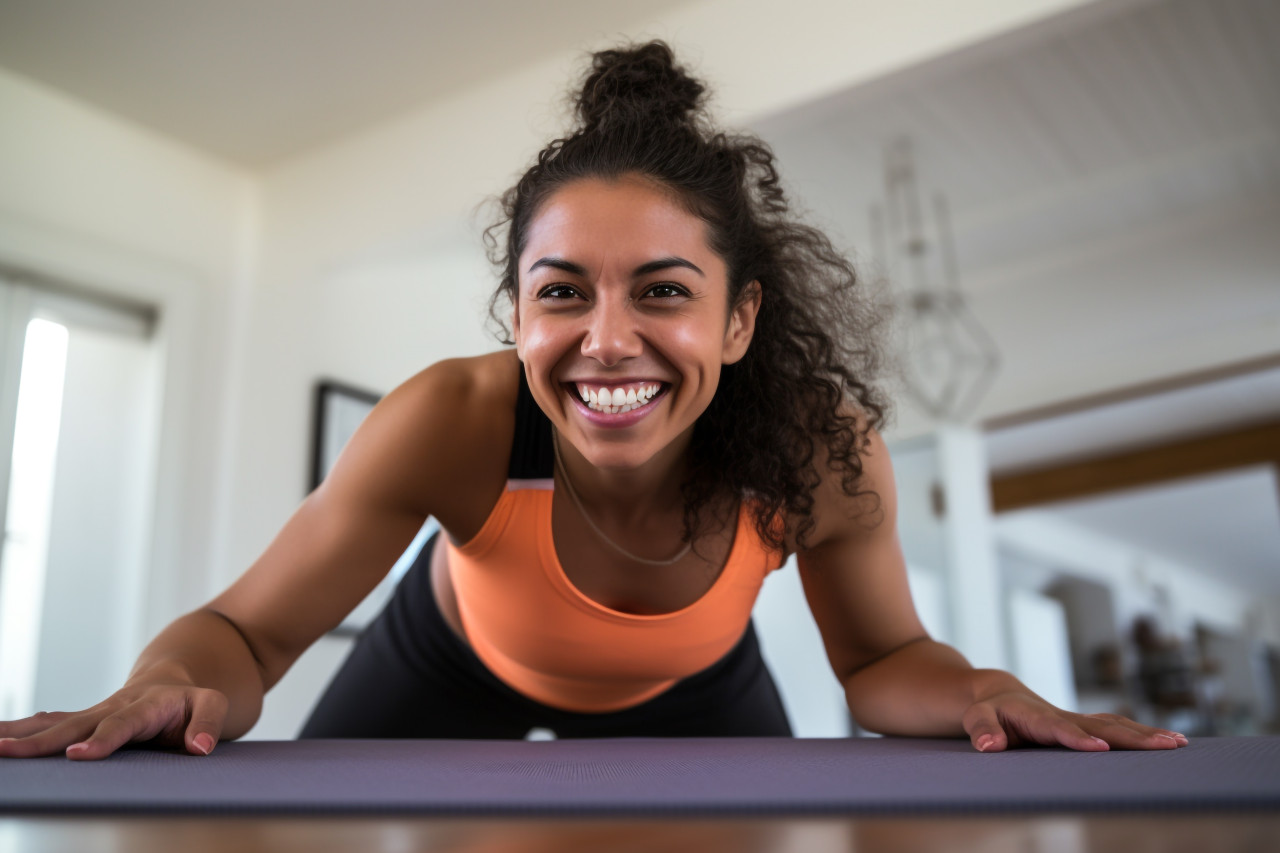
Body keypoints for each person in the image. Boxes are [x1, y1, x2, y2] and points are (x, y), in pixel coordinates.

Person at [0, 41, 1187, 759]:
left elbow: (881, 658)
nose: (604, 341)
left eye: (662, 291)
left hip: (699, 686)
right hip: (446, 661)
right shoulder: (450, 421)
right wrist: (165, 682)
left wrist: (983, 691)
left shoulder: (820, 450)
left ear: (738, 318)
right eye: (560, 291)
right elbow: (249, 636)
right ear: (517, 313)